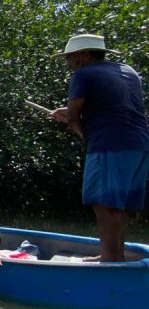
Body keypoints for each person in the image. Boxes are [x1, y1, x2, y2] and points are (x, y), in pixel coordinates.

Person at [50, 34, 149, 262]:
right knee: (120, 205)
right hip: (140, 143)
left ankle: (109, 259)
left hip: (109, 145)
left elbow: (75, 117)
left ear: (84, 54)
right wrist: (72, 115)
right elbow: (115, 108)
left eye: (71, 57)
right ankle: (114, 255)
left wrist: (81, 130)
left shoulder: (83, 74)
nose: (69, 63)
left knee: (104, 204)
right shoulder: (128, 71)